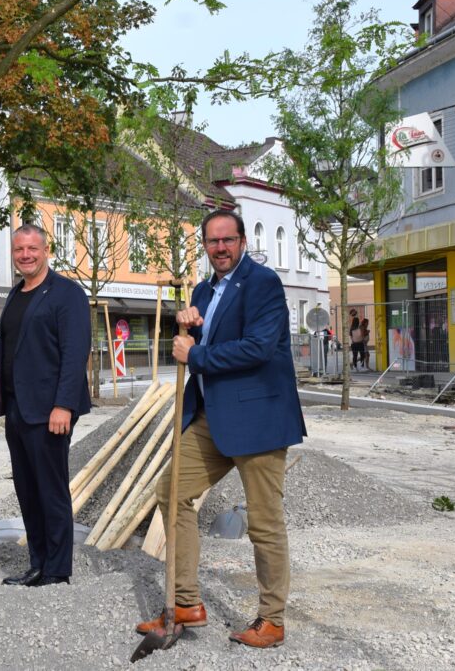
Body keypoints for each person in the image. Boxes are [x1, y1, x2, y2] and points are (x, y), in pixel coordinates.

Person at [134, 209, 306, 648]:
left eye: (228, 240)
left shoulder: (263, 283)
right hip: (211, 418)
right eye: (212, 241)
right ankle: (187, 602)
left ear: (242, 241)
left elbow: (259, 347)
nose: (221, 248)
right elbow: (204, 338)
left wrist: (197, 356)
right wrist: (191, 327)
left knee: (264, 523)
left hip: (259, 419)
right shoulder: (204, 290)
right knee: (171, 493)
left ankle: (272, 619)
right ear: (205, 246)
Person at [0, 223, 91, 587]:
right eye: (19, 250)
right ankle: (38, 562)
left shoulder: (66, 294)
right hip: (18, 407)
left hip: (50, 409)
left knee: (50, 488)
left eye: (32, 249)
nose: (25, 255)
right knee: (27, 489)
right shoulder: (17, 294)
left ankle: (57, 568)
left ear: (46, 250)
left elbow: (74, 352)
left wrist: (63, 404)